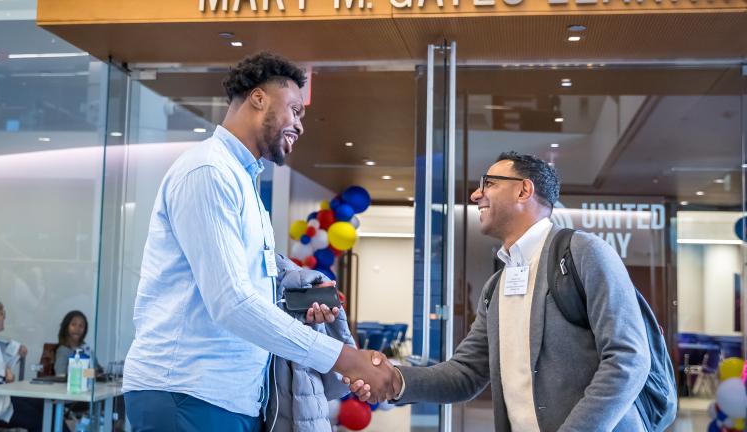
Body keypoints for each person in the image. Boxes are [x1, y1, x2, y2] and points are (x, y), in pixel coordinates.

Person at [122, 52, 392, 431]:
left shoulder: (243, 180)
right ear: (259, 98)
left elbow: (245, 291)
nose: (300, 124)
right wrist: (342, 358)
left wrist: (296, 302)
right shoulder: (208, 171)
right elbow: (231, 303)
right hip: (187, 393)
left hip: (229, 398)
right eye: (295, 110)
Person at [349, 151, 652, 431]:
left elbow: (628, 359)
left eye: (489, 183)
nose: (475, 194)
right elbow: (465, 374)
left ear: (524, 190)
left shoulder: (584, 252)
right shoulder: (496, 286)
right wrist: (395, 379)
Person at [0, 299, 46, 432]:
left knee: (40, 404)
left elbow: (3, 344)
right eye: (2, 313)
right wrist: (3, 378)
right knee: (39, 419)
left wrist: (16, 348)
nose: (4, 317)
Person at [53, 310, 96, 376]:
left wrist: (93, 373)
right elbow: (60, 374)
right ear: (66, 327)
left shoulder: (86, 348)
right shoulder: (63, 350)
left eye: (81, 326)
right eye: (73, 324)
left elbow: (98, 371)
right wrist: (89, 373)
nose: (77, 329)